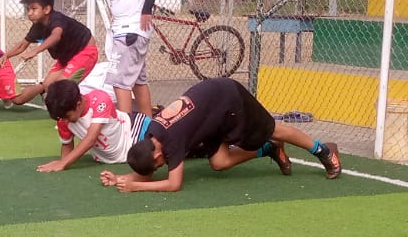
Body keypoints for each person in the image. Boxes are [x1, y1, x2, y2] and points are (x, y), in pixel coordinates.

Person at [99, 77, 341, 194]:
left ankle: (323, 150)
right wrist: (120, 178)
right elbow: (149, 170)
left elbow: (174, 184)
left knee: (272, 129)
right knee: (219, 162)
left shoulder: (171, 140)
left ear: (157, 155)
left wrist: (135, 186)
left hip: (228, 98)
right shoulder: (153, 134)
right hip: (210, 116)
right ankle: (270, 148)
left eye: (158, 165)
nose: (160, 166)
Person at [80, 0, 163, 116]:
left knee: (119, 82)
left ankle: (125, 128)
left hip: (129, 31)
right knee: (138, 82)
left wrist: (146, 9)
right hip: (126, 29)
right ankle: (148, 125)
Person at [2, 0, 99, 106]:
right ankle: (50, 98)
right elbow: (23, 44)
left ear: (47, 9)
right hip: (67, 58)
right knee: (48, 85)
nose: (29, 13)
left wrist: (35, 51)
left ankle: (87, 107)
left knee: (61, 87)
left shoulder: (57, 19)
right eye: (28, 9)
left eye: (34, 9)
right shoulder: (37, 27)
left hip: (85, 52)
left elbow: (56, 36)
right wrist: (6, 56)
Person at [38, 67, 133, 172]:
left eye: (67, 116)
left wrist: (63, 163)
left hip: (134, 133)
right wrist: (62, 161)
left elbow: (91, 139)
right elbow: (67, 144)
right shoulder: (62, 118)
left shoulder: (100, 99)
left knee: (142, 159)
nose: (65, 121)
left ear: (78, 104)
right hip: (108, 158)